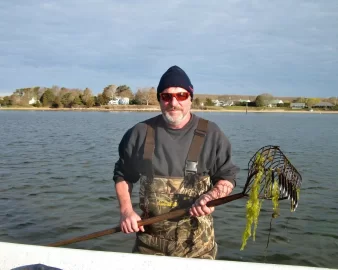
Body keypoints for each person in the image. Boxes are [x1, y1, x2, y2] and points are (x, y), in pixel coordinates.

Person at [113, 65, 239, 259]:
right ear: (159, 100)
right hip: (149, 246)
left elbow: (227, 178)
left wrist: (211, 197)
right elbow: (123, 176)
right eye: (166, 96)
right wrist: (126, 211)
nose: (174, 102)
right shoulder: (139, 133)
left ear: (190, 98)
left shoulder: (212, 133)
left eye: (181, 95)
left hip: (198, 248)